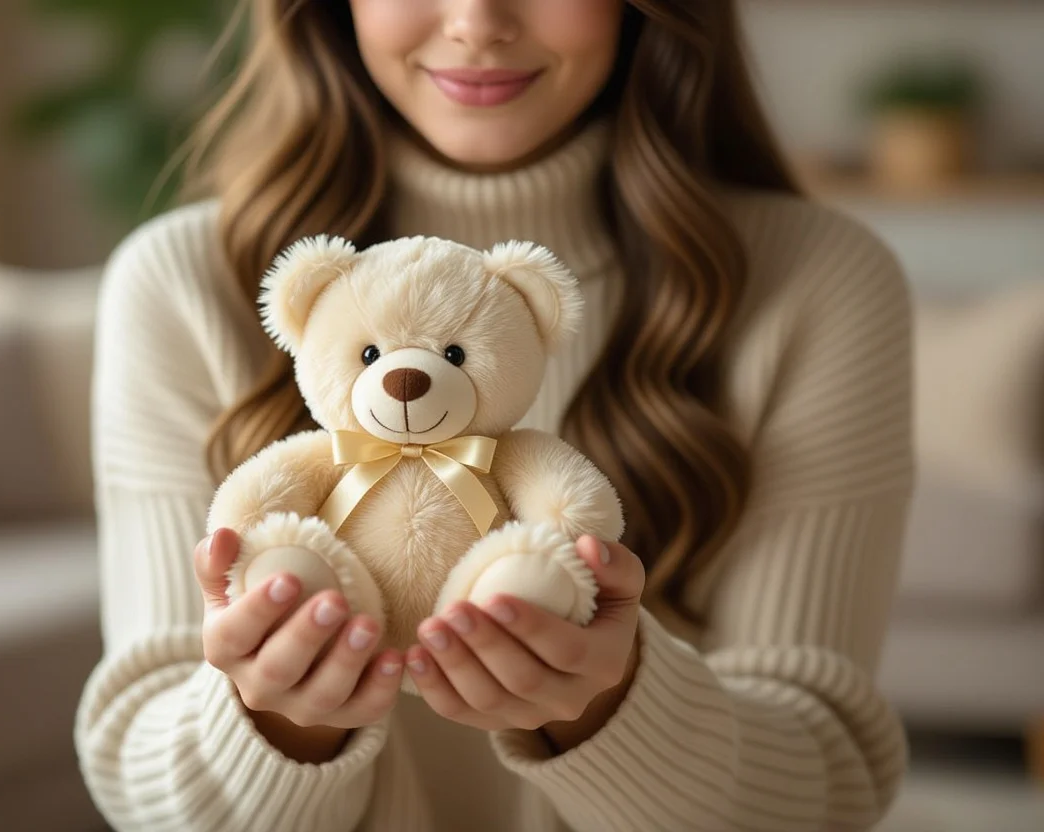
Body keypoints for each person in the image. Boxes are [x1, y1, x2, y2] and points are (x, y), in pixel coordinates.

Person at [74, 1, 916, 830]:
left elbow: (824, 782)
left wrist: (611, 706)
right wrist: (284, 719)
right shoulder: (182, 285)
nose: (477, 22)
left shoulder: (819, 283)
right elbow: (143, 780)